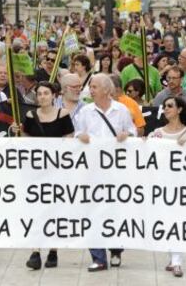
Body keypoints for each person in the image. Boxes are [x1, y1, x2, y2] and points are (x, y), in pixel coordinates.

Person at [75, 73, 137, 272]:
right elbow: (77, 133)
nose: (90, 90)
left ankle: (116, 248)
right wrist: (81, 136)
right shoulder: (85, 111)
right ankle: (98, 257)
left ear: (106, 90)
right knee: (93, 212)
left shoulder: (122, 110)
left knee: (115, 211)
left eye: (94, 86)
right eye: (90, 86)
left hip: (116, 173)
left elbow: (133, 132)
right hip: (92, 171)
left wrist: (126, 134)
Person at [13, 81, 73, 270]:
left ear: (54, 95)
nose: (42, 97)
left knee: (54, 211)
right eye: (39, 94)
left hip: (57, 171)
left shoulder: (63, 115)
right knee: (36, 211)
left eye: (46, 93)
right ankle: (35, 251)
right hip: (36, 171)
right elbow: (27, 140)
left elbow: (69, 139)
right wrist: (19, 133)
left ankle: (53, 251)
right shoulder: (30, 115)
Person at [148, 96, 186, 277]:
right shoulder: (156, 133)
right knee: (168, 222)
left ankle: (177, 260)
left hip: (183, 187)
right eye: (164, 106)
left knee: (178, 221)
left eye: (170, 106)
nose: (166, 108)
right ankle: (174, 258)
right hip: (162, 186)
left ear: (179, 110)